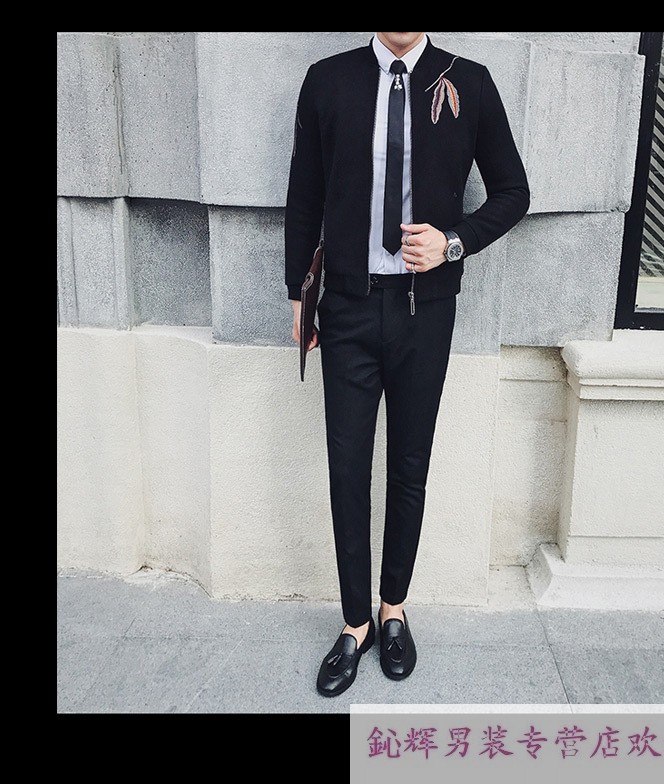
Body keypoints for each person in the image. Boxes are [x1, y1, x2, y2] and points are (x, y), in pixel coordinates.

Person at [285, 32, 529, 697]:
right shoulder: (328, 80)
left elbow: (513, 192)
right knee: (346, 470)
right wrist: (299, 296)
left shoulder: (467, 81)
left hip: (426, 314)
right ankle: (355, 623)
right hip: (348, 308)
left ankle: (394, 610)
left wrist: (454, 242)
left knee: (409, 466)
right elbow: (304, 193)